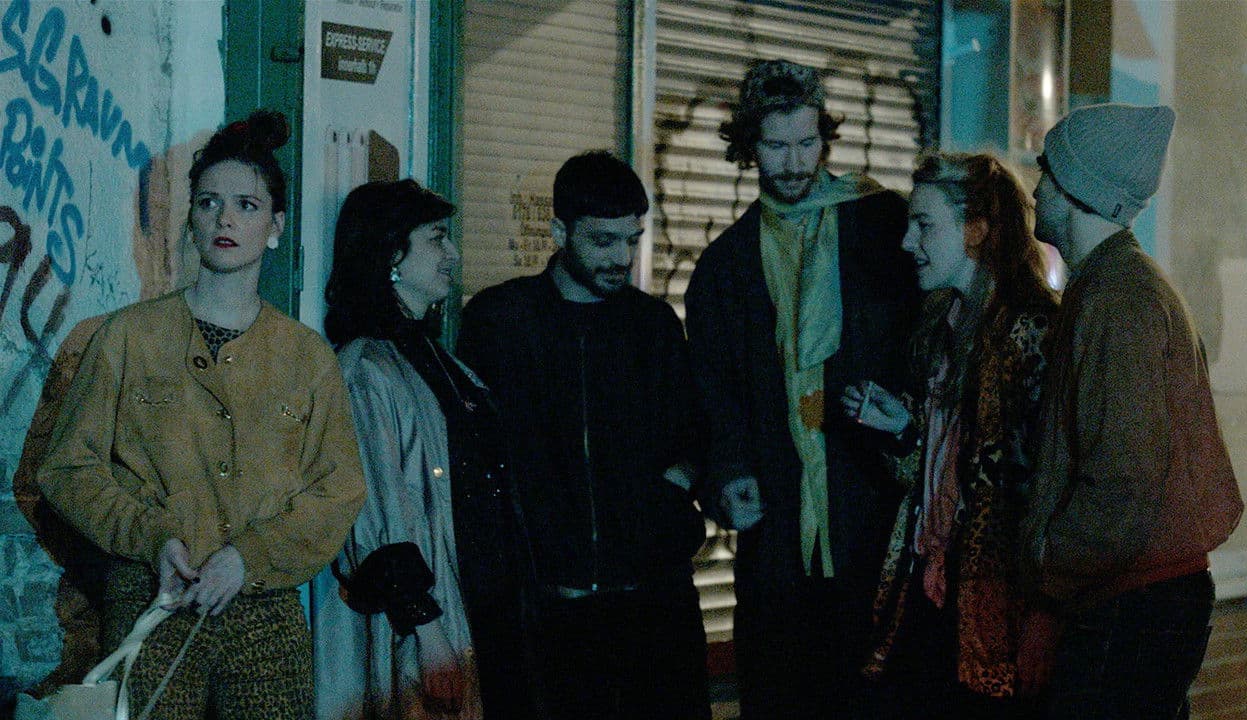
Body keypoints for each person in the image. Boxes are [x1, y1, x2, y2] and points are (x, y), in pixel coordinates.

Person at [35, 110, 366, 719]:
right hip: (152, 599)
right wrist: (151, 537)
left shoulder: (306, 357)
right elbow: (67, 470)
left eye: (247, 205)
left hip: (266, 613)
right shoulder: (127, 337)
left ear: (275, 226)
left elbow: (339, 490)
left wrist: (250, 558)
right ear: (190, 218)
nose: (225, 219)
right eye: (209, 202)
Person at [683, 58, 920, 719]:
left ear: (825, 139)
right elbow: (713, 397)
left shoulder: (884, 226)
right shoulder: (725, 266)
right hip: (780, 533)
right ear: (748, 146)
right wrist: (729, 476)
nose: (793, 163)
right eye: (776, 145)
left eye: (806, 142)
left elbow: (927, 351)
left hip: (872, 513)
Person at [457, 150, 710, 720]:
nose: (622, 258)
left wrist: (672, 488)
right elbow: (473, 455)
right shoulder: (500, 322)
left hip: (654, 606)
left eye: (632, 240)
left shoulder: (653, 326)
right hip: (547, 614)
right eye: (602, 241)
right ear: (558, 232)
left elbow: (695, 433)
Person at [1019, 103, 1243, 718]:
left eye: (1047, 173)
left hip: (1129, 606)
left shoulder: (1119, 300)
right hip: (1138, 598)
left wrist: (1047, 577)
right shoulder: (1114, 286)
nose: (1035, 189)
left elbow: (1121, 481)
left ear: (1076, 191)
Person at [845, 152, 1058, 718]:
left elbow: (1040, 487)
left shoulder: (1032, 329)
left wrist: (1042, 612)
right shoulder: (940, 328)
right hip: (930, 581)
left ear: (977, 230)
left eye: (924, 225)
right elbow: (936, 473)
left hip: (992, 600)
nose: (907, 242)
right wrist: (902, 430)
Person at [314, 179, 534, 720]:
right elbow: (371, 513)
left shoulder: (435, 360)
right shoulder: (366, 371)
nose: (452, 254)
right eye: (437, 238)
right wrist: (428, 630)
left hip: (480, 609)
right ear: (392, 254)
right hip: (429, 624)